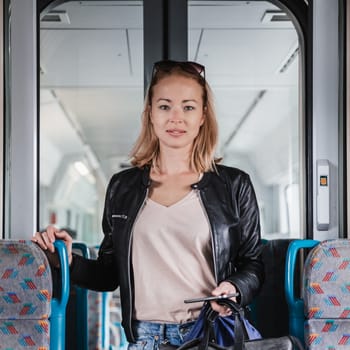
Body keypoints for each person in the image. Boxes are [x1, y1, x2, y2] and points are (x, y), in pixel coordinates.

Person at [32, 60, 264, 350]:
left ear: (203, 115)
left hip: (208, 335)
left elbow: (253, 264)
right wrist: (67, 262)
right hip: (144, 340)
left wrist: (234, 289)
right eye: (165, 106)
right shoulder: (122, 186)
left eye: (188, 107)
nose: (176, 118)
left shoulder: (234, 185)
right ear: (150, 114)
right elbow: (109, 274)